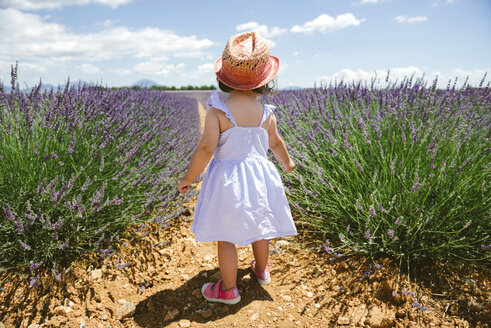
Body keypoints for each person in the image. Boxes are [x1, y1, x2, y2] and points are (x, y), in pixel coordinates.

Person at [178, 31, 297, 305]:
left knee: (226, 234)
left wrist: (189, 177)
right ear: (264, 80)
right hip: (261, 178)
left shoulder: (218, 111)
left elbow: (207, 148)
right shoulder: (267, 113)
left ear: (224, 76)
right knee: (261, 227)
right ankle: (262, 271)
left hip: (228, 179)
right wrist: (288, 164)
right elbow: (276, 144)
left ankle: (228, 289)